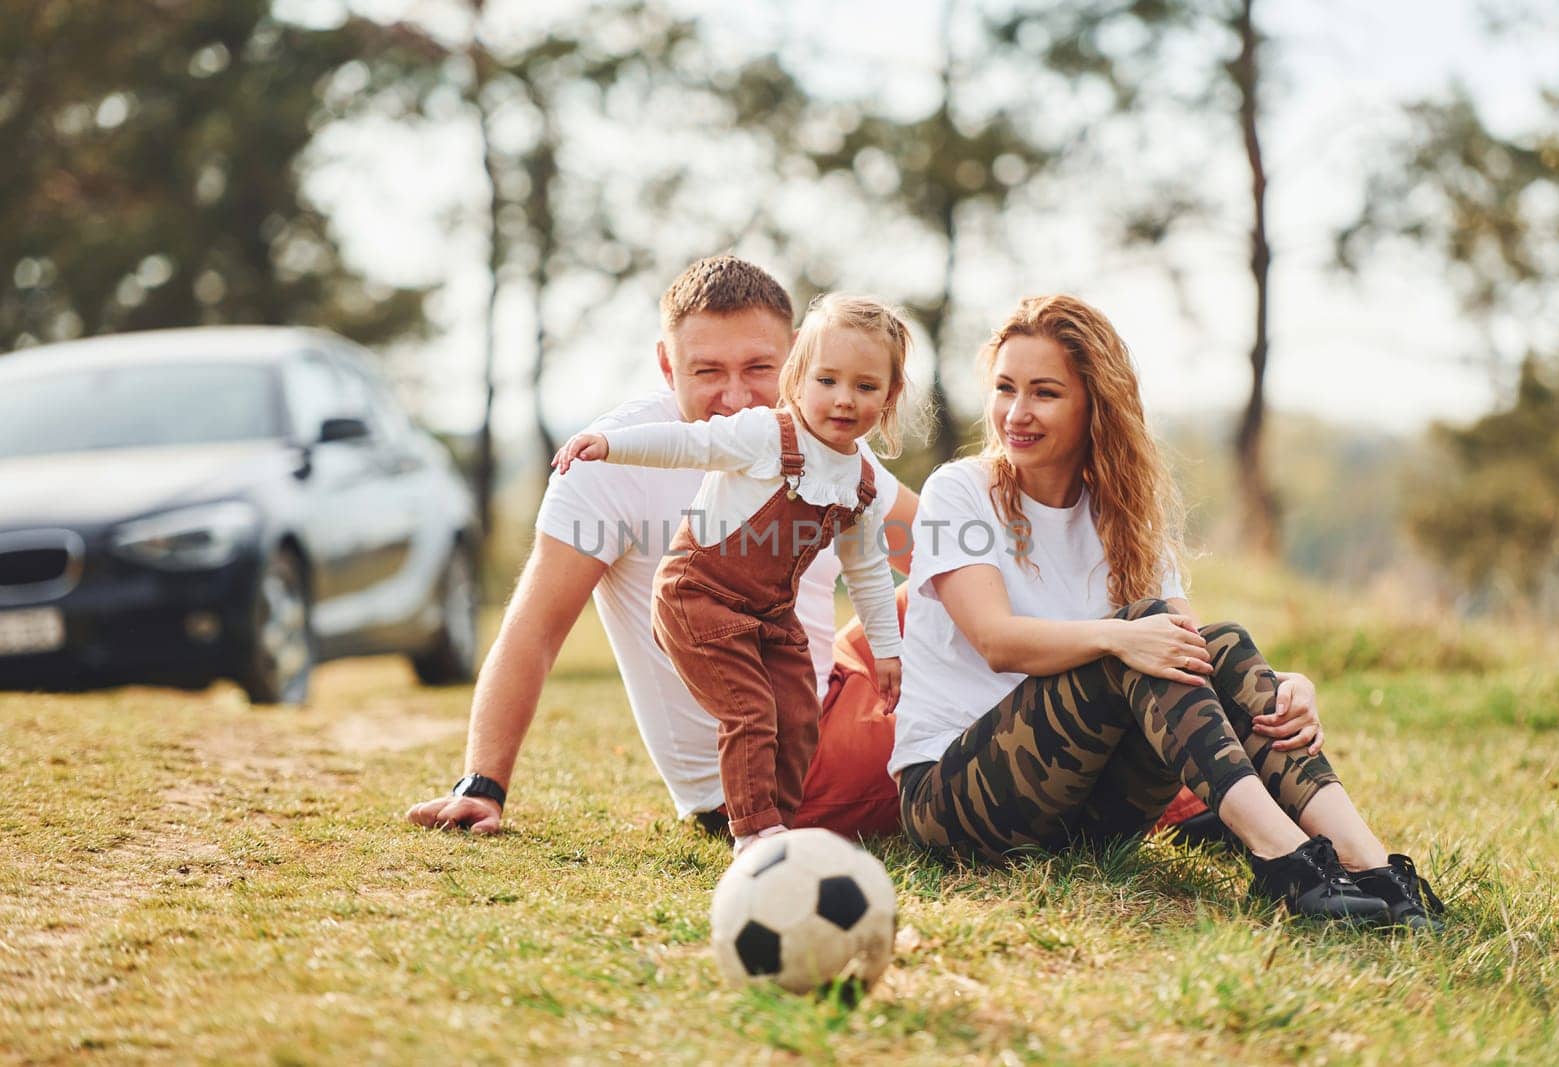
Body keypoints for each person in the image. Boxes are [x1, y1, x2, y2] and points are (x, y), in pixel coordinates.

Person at [890, 294, 1445, 929]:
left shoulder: (1121, 514)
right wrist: (1121, 639)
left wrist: (1285, 688)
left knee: (1220, 642)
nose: (1017, 413)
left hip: (1085, 817)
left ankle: (1373, 866)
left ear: (1095, 404)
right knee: (1140, 637)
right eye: (1005, 388)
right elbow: (995, 640)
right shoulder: (959, 492)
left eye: (1044, 393)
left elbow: (1194, 654)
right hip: (958, 803)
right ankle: (1286, 862)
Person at [406, 257, 918, 839]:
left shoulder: (826, 429)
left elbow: (931, 551)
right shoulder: (612, 465)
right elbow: (534, 630)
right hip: (777, 766)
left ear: (799, 356)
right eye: (706, 371)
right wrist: (483, 782)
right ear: (666, 364)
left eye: (759, 367)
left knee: (963, 590)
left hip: (823, 683)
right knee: (970, 713)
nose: (736, 397)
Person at [551, 295, 912, 853]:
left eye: (866, 387)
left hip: (769, 612)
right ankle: (752, 833)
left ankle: (780, 823)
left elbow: (866, 570)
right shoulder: (765, 434)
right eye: (827, 381)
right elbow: (688, 444)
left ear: (889, 397)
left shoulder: (858, 479)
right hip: (699, 596)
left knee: (797, 714)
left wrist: (886, 650)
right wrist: (611, 445)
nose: (844, 400)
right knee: (752, 709)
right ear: (798, 377)